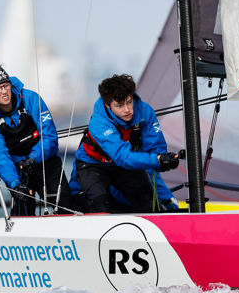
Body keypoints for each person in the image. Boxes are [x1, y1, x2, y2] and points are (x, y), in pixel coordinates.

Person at [73, 74, 181, 213]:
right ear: (108, 105)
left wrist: (164, 162)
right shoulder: (98, 122)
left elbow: (155, 152)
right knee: (101, 207)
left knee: (148, 204)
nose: (127, 110)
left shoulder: (145, 111)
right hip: (93, 166)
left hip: (123, 165)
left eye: (129, 102)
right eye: (119, 105)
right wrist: (157, 160)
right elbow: (123, 157)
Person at [0, 66, 78, 215]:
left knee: (64, 207)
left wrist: (32, 158)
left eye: (6, 85)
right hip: (18, 170)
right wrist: (15, 184)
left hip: (46, 163)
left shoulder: (31, 98)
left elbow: (49, 136)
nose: (4, 91)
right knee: (22, 213)